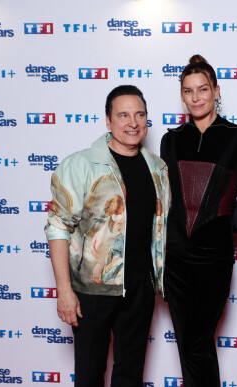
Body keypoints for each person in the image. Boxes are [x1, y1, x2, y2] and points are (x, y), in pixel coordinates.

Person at [45, 85, 171, 386]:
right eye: (124, 115)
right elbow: (58, 227)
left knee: (130, 373)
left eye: (140, 114)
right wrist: (64, 291)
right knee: (89, 373)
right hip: (92, 290)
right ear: (108, 121)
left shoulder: (157, 167)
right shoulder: (80, 165)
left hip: (139, 287)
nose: (133, 122)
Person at [160, 54, 237, 386]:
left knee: (198, 342)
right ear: (182, 96)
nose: (196, 97)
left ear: (216, 91)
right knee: (188, 345)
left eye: (202, 89)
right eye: (188, 91)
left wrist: (226, 222)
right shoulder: (170, 140)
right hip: (175, 259)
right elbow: (168, 200)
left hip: (213, 259)